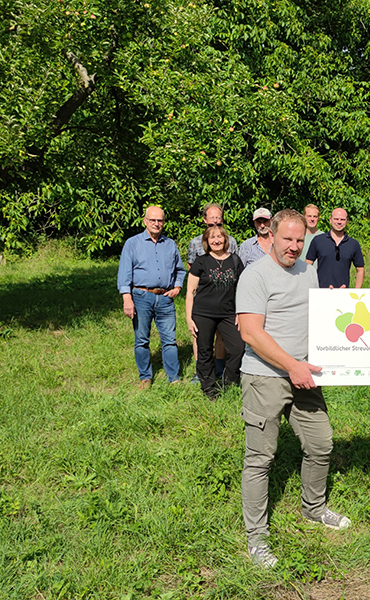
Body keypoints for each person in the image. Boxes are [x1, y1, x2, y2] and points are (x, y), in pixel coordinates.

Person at [236, 209, 350, 569]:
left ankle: (313, 508)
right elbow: (250, 332)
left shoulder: (308, 270)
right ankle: (257, 538)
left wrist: (337, 304)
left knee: (321, 444)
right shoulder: (255, 275)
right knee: (260, 459)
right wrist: (291, 366)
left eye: (300, 241)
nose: (294, 247)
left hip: (305, 374)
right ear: (270, 234)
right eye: (287, 239)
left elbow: (316, 316)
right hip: (265, 377)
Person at [117, 206, 185, 389]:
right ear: (145, 221)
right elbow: (124, 273)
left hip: (165, 298)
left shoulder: (170, 244)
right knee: (141, 339)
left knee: (169, 340)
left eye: (160, 220)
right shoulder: (132, 243)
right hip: (141, 296)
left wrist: (178, 286)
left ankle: (174, 378)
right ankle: (145, 377)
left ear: (164, 222)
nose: (157, 223)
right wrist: (127, 298)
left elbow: (180, 270)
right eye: (153, 220)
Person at [185, 225, 244, 400]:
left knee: (237, 348)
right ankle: (209, 389)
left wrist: (240, 313)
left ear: (225, 240)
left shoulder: (235, 260)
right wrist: (189, 318)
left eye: (219, 237)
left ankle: (228, 384)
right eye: (212, 238)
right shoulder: (200, 261)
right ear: (206, 241)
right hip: (203, 313)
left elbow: (242, 289)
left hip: (228, 313)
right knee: (204, 351)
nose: (216, 240)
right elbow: (190, 292)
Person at [305, 207, 365, 288]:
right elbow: (308, 265)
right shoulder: (318, 240)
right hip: (320, 292)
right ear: (330, 220)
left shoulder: (353, 244)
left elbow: (360, 269)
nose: (339, 222)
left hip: (343, 292)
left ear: (347, 221)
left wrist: (356, 292)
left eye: (342, 219)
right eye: (336, 219)